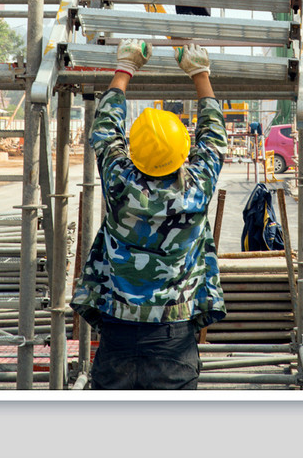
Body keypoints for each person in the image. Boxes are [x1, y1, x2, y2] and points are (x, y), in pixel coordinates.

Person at [70, 38, 227, 391]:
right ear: (181, 152)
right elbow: (214, 139)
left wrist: (126, 67)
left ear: (134, 151)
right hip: (174, 334)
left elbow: (104, 133)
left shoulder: (119, 181)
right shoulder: (195, 188)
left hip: (117, 329)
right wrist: (199, 73)